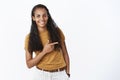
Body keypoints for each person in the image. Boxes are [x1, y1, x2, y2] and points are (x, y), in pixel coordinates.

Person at [24, 4, 70, 80]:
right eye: (38, 16)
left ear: (48, 16)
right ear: (33, 18)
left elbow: (65, 53)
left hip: (60, 74)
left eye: (44, 15)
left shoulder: (57, 32)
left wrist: (67, 73)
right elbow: (29, 64)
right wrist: (44, 52)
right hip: (41, 75)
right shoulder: (29, 38)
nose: (42, 18)